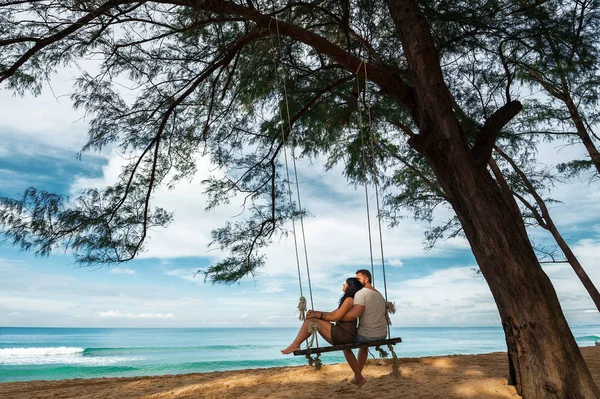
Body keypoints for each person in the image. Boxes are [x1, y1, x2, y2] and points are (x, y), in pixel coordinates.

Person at [281, 277, 363, 354]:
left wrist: (316, 315)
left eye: (346, 283)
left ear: (351, 287)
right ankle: (295, 345)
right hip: (344, 335)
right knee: (312, 319)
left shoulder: (349, 299)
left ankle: (295, 345)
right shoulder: (348, 300)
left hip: (344, 336)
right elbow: (332, 314)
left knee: (311, 321)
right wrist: (315, 312)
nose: (343, 284)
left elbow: (335, 317)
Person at [340, 269, 388, 387]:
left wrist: (336, 317)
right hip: (382, 334)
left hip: (367, 335)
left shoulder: (361, 293)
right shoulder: (379, 294)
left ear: (366, 279)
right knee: (363, 347)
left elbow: (354, 315)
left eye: (358, 279)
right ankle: (356, 377)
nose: (356, 282)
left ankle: (359, 377)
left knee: (344, 345)